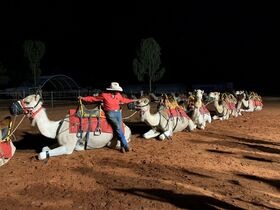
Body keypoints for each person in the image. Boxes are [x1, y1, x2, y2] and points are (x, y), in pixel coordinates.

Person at [78, 82, 137, 153]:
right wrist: (83, 98)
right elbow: (93, 98)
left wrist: (132, 100)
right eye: (116, 90)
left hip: (118, 113)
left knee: (120, 127)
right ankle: (125, 145)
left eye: (118, 90)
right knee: (118, 128)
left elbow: (124, 100)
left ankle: (122, 145)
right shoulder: (104, 95)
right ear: (112, 90)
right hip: (110, 113)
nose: (117, 91)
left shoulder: (118, 95)